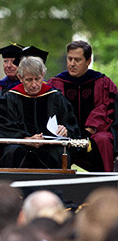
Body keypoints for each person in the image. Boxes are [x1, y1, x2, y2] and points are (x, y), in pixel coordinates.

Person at [0, 56, 80, 169]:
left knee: (60, 153)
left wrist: (66, 131)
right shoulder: (10, 98)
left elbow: (72, 125)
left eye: (38, 79)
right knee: (12, 152)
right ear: (20, 77)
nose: (34, 84)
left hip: (50, 146)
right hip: (21, 145)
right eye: (29, 80)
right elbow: (2, 126)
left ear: (43, 75)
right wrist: (25, 139)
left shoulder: (55, 97)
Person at [47, 40, 117, 172]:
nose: (72, 64)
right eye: (70, 59)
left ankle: (106, 182)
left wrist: (91, 127)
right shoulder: (56, 83)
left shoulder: (102, 82)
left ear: (88, 60)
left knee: (104, 139)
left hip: (93, 133)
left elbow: (107, 107)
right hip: (64, 133)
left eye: (77, 60)